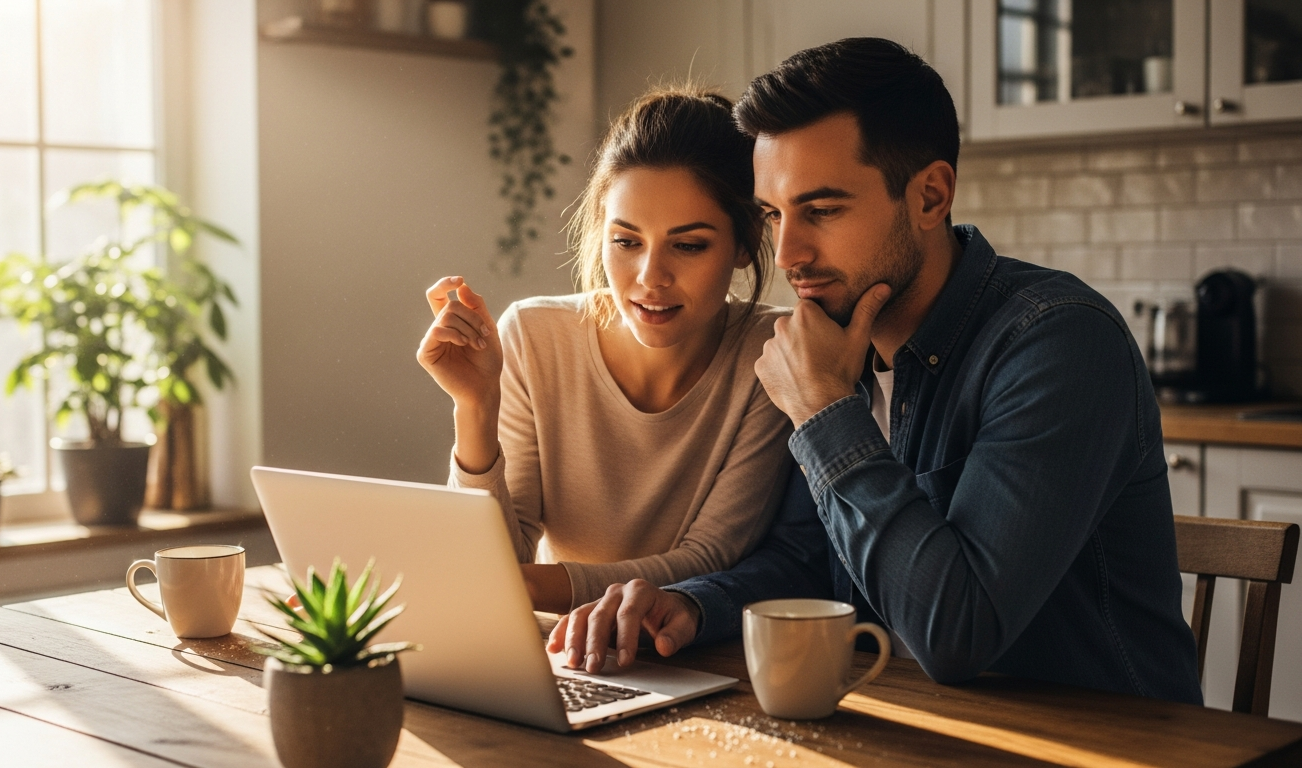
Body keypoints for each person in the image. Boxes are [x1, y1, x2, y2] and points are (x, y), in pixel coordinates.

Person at [550, 39, 1203, 704]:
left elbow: (958, 633)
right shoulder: (840, 342)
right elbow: (809, 562)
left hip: (1108, 742)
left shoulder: (1057, 342)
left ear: (930, 196)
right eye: (773, 215)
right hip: (923, 730)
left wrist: (824, 412)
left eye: (823, 210)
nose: (790, 252)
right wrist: (689, 605)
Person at [416, 87, 794, 617]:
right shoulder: (534, 335)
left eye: (688, 245)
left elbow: (710, 557)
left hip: (693, 652)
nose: (650, 278)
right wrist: (475, 407)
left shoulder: (773, 351)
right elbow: (497, 558)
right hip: (555, 646)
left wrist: (533, 588)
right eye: (626, 242)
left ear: (744, 243)